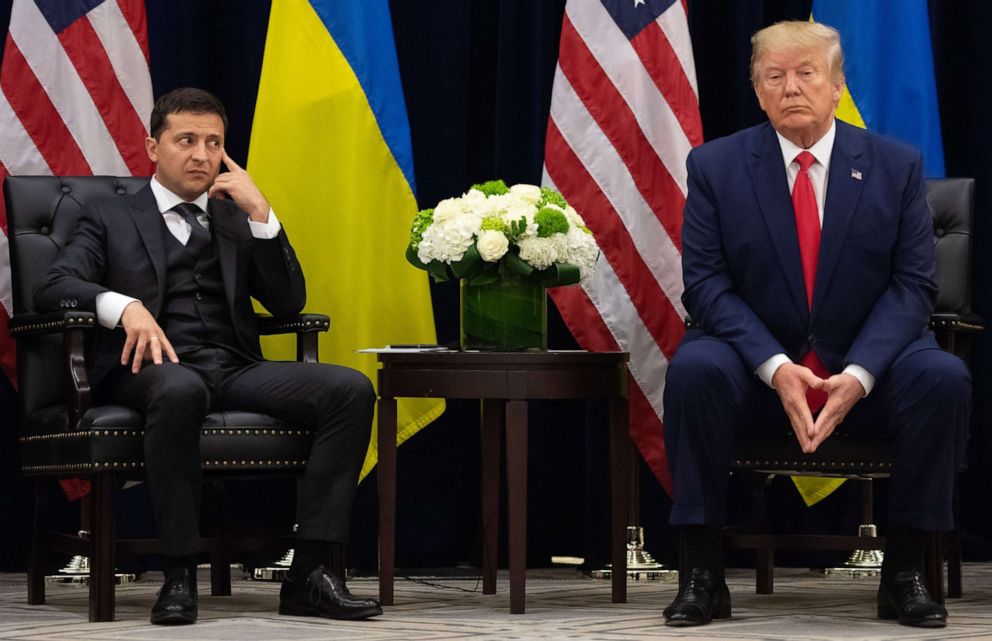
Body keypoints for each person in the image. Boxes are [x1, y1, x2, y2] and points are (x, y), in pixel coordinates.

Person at [662, 21, 970, 629]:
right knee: (694, 369)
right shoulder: (716, 167)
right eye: (774, 76)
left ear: (837, 87)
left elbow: (913, 287)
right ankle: (702, 573)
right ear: (757, 90)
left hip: (866, 374)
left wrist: (858, 375)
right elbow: (706, 285)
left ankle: (905, 571)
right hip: (755, 376)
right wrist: (776, 369)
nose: (792, 88)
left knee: (942, 376)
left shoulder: (895, 166)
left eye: (807, 74)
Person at [34, 88, 382, 625]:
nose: (201, 155)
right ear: (153, 147)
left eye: (214, 143)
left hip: (235, 365)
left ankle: (311, 572)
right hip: (144, 371)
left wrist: (263, 214)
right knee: (180, 387)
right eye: (187, 140)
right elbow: (54, 285)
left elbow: (289, 303)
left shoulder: (233, 218)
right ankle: (178, 575)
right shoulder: (109, 215)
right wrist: (122, 306)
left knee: (350, 389)